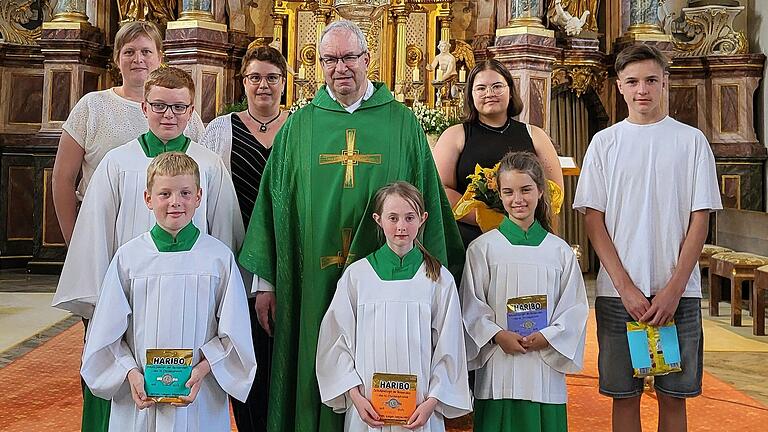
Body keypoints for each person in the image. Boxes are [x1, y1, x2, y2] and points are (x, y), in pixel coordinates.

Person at [238, 19, 464, 431]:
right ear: (319, 64)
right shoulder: (300, 127)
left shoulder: (401, 123)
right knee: (313, 359)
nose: (340, 67)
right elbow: (274, 206)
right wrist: (267, 284)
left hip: (390, 285)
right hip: (310, 282)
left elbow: (426, 196)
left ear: (367, 59)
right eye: (330, 59)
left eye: (348, 57)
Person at [53, 67, 243, 428]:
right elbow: (95, 237)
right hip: (130, 306)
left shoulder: (210, 165)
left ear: (191, 111)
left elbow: (224, 239)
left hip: (195, 312)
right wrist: (98, 308)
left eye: (178, 107)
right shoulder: (117, 163)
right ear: (144, 107)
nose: (168, 115)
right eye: (159, 106)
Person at [573, 44, 722, 432]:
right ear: (619, 86)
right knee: (624, 398)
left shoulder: (691, 142)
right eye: (633, 81)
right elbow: (594, 220)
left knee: (674, 397)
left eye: (652, 80)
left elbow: (700, 219)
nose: (643, 90)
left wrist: (673, 290)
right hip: (619, 295)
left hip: (679, 295)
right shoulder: (604, 144)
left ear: (665, 83)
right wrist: (625, 288)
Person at [80, 152, 257, 432]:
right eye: (165, 194)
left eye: (185, 193)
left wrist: (201, 371)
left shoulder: (217, 259)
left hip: (198, 395)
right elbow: (105, 335)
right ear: (148, 199)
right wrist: (131, 373)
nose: (176, 202)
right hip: (139, 396)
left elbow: (234, 336)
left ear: (199, 197)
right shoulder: (129, 259)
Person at [316, 182, 472, 431]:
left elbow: (449, 346)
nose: (401, 226)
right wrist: (356, 398)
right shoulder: (358, 276)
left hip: (420, 410)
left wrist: (431, 403)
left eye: (410, 217)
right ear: (378, 220)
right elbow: (336, 341)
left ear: (423, 219)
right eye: (393, 217)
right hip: (368, 408)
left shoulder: (438, 279)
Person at [461, 151, 588, 432]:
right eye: (509, 192)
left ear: (541, 191)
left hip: (543, 366)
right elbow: (471, 306)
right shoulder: (483, 249)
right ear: (500, 195)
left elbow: (574, 308)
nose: (517, 199)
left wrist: (548, 336)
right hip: (499, 364)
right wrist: (496, 335)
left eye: (526, 190)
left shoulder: (559, 252)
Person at [199, 44, 288, 432]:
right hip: (236, 255)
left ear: (285, 82)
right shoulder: (222, 129)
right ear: (243, 81)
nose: (263, 85)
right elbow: (207, 194)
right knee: (243, 344)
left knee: (281, 348)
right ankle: (250, 425)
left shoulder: (299, 127)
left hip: (287, 255)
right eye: (254, 77)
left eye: (271, 77)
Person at [53, 20, 204, 247]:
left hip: (172, 234)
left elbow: (202, 171)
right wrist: (74, 241)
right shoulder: (92, 106)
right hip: (104, 229)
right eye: (129, 52)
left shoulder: (183, 113)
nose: (138, 59)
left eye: (146, 51)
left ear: (160, 57)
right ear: (117, 58)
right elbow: (62, 178)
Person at [433, 59, 563, 248]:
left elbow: (554, 191)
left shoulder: (535, 135)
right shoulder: (455, 135)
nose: (489, 94)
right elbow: (441, 191)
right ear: (470, 94)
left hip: (525, 235)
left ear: (510, 91)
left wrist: (518, 220)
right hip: (469, 237)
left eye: (497, 86)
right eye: (481, 88)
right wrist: (489, 219)